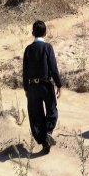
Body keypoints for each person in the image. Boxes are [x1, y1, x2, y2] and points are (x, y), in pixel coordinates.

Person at [23, 20, 62, 154]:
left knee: (36, 115)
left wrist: (26, 88)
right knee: (52, 110)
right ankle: (48, 132)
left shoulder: (28, 49)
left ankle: (43, 141)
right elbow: (53, 67)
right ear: (45, 33)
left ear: (33, 33)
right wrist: (59, 84)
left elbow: (25, 71)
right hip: (46, 85)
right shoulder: (47, 47)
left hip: (32, 86)